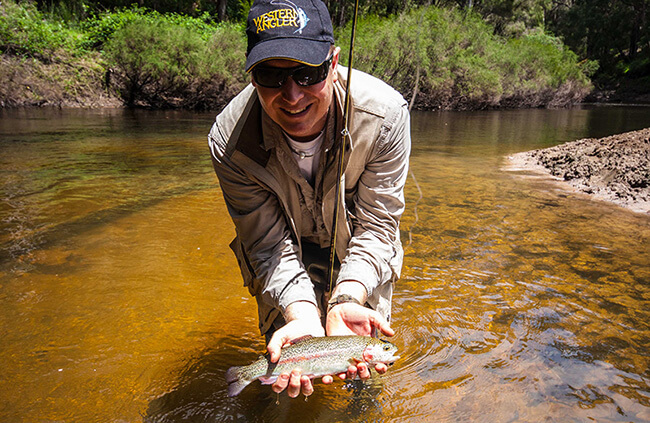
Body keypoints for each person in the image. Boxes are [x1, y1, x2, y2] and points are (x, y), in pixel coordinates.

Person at [208, 0, 410, 398]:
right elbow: (266, 244)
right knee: (283, 378)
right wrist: (300, 312)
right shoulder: (230, 143)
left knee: (368, 380)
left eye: (308, 73)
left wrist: (348, 296)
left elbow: (379, 226)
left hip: (356, 244)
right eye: (270, 74)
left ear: (333, 64)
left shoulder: (384, 117)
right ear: (251, 76)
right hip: (283, 251)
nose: (292, 95)